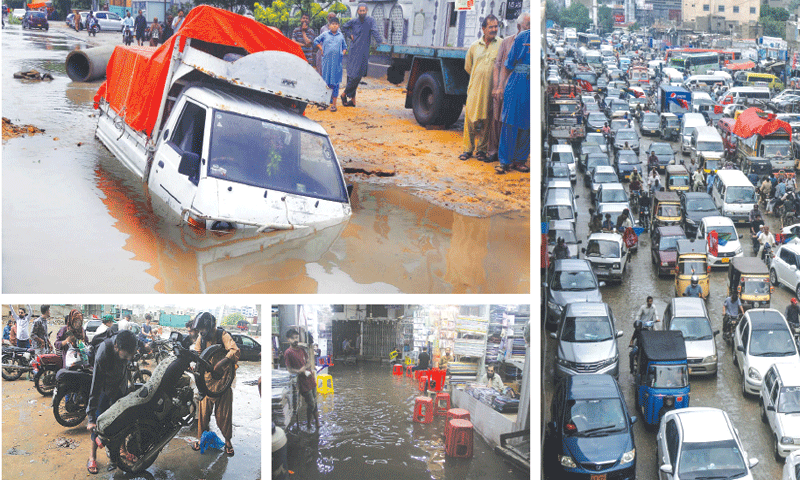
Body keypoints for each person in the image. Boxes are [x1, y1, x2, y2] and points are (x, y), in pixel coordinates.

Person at [86, 330, 138, 474]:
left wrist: (131, 386)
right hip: (104, 390)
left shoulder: (128, 348)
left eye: (131, 355)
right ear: (116, 347)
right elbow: (95, 386)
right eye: (126, 356)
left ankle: (122, 450)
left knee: (121, 423)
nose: (129, 359)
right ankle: (92, 456)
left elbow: (127, 368)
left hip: (120, 389)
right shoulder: (104, 352)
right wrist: (90, 418)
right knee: (98, 424)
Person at [191, 312, 239, 456]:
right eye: (199, 329)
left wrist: (222, 362)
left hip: (223, 382)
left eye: (203, 328)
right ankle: (201, 439)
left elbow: (235, 351)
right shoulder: (202, 338)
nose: (201, 332)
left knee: (224, 415)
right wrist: (194, 363)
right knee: (203, 415)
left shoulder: (222, 335)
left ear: (210, 326)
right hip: (207, 383)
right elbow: (197, 353)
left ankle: (228, 441)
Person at [489, 13, 530, 163]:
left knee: (526, 124)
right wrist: (499, 86)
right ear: (520, 27)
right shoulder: (513, 41)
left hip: (527, 87)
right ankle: (500, 156)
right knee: (504, 121)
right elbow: (502, 65)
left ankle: (519, 160)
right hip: (511, 85)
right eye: (528, 25)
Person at [461, 14, 501, 164]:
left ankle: (482, 151)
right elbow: (468, 67)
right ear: (483, 29)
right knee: (470, 119)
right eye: (491, 27)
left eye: (496, 26)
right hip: (475, 89)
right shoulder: (474, 46)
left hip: (491, 90)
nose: (494, 29)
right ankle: (467, 150)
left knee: (487, 120)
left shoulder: (501, 44)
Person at [340, 3, 383, 107]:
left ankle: (349, 97)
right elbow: (344, 27)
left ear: (367, 11)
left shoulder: (370, 20)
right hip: (354, 50)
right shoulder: (354, 21)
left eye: (364, 10)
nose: (362, 12)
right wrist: (350, 35)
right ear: (358, 11)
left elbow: (374, 30)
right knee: (352, 74)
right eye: (360, 11)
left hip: (364, 51)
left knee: (359, 73)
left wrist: (380, 41)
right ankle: (347, 96)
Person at [284, 328, 319, 433]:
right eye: (293, 338)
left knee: (314, 402)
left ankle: (316, 422)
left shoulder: (302, 350)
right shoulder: (288, 353)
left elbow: (308, 362)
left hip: (310, 379)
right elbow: (289, 369)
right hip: (302, 382)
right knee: (311, 403)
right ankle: (309, 423)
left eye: (297, 338)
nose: (295, 340)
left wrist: (305, 367)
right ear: (288, 339)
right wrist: (299, 371)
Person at [313, 17, 347, 112]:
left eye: (336, 24)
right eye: (332, 24)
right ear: (329, 26)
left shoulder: (341, 36)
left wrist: (342, 54)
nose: (334, 25)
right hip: (326, 64)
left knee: (335, 84)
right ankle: (324, 104)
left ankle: (334, 105)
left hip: (337, 65)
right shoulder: (324, 34)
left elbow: (345, 47)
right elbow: (316, 41)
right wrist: (321, 48)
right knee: (325, 84)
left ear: (338, 26)